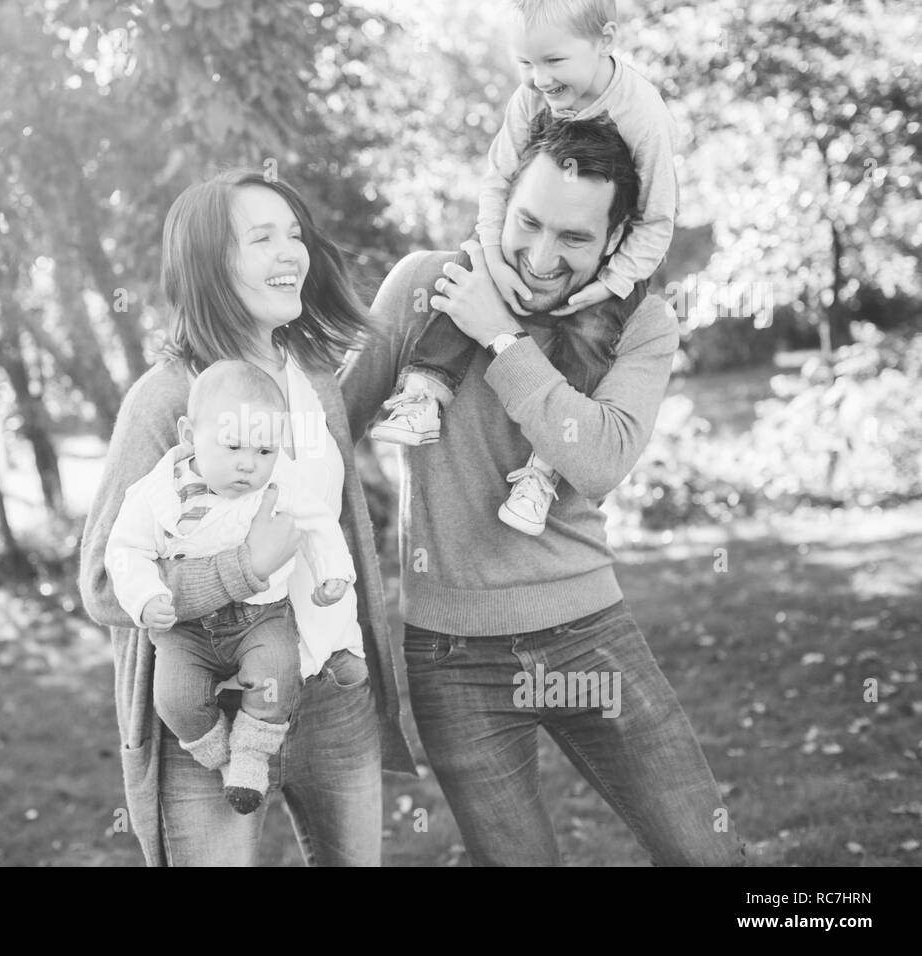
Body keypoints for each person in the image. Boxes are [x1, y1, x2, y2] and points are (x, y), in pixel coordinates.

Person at [343, 114, 743, 866]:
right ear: (503, 202)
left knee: (708, 856)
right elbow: (330, 424)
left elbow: (596, 460)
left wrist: (501, 337)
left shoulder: (641, 323)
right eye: (529, 223)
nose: (540, 255)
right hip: (451, 655)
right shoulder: (428, 285)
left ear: (617, 237)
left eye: (574, 238)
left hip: (589, 632)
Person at [80, 167, 416, 867]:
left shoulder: (314, 376)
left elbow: (330, 523)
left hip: (328, 697)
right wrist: (241, 569)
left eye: (294, 235)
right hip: (211, 710)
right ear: (209, 264)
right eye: (261, 238)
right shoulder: (167, 398)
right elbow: (105, 585)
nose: (290, 252)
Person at [370, 0, 676, 538]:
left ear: (605, 40)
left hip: (620, 268)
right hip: (516, 244)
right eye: (525, 64)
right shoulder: (532, 97)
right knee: (467, 272)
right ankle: (425, 392)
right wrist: (489, 254)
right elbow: (498, 179)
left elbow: (654, 220)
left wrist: (610, 283)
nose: (540, 79)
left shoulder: (642, 115)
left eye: (554, 61)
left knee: (591, 330)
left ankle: (541, 474)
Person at [104, 359, 355, 814]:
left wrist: (333, 571)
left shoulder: (280, 481)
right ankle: (223, 756)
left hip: (261, 616)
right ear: (188, 435)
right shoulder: (155, 494)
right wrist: (145, 597)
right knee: (175, 697)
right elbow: (124, 551)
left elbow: (318, 522)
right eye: (233, 446)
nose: (247, 464)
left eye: (264, 451)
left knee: (278, 671)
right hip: (185, 631)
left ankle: (252, 755)